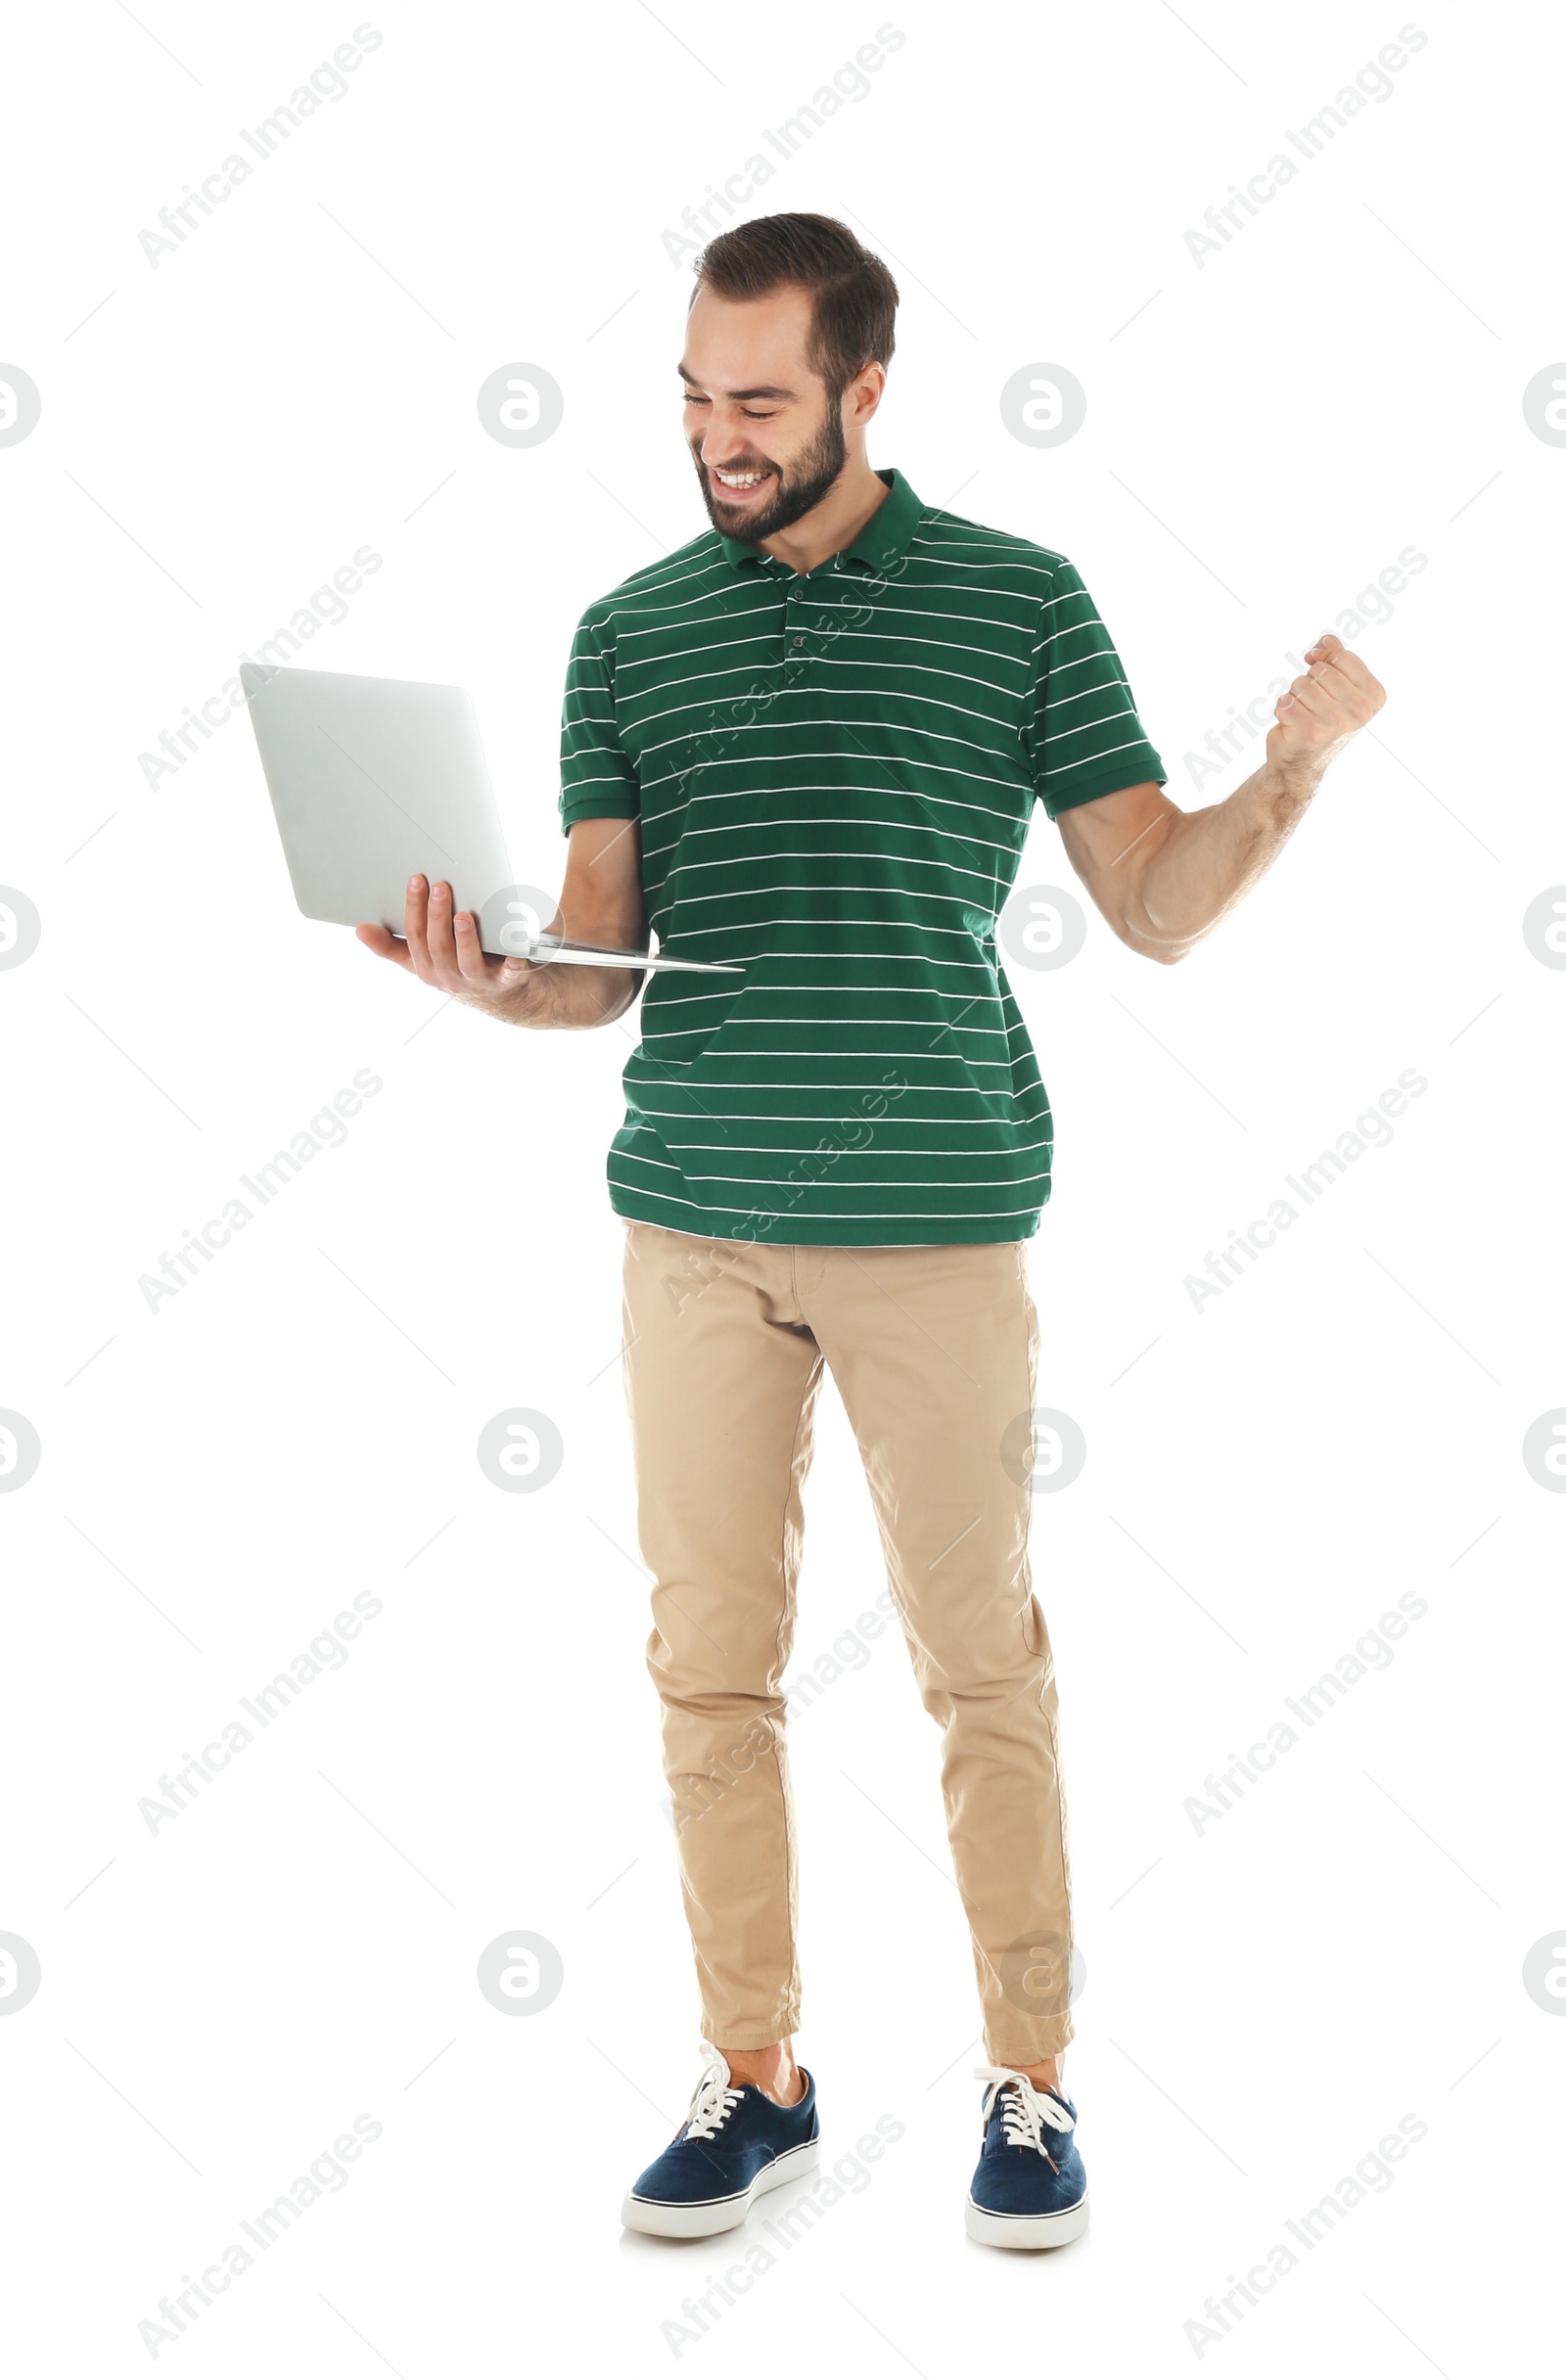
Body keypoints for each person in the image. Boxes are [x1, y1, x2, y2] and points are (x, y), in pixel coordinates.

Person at [358, 211, 1385, 2249]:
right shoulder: (628, 630)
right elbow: (601, 960)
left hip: (934, 1223)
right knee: (706, 1669)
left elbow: (1156, 906)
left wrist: (1289, 772)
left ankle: (1028, 2081)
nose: (714, 438)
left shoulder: (1014, 603)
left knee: (977, 1660)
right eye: (688, 397)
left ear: (862, 388)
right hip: (693, 1236)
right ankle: (754, 2077)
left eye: (755, 401)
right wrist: (493, 983)